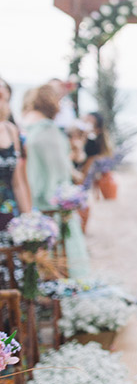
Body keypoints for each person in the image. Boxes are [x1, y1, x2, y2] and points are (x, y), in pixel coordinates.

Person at [24, 84, 90, 278]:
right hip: (49, 201)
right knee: (62, 248)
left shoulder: (26, 124)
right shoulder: (47, 130)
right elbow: (60, 170)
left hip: (30, 198)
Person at [0, 77, 31, 231]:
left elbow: (18, 183)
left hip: (9, 215)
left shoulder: (11, 130)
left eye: (5, 98)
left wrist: (29, 224)